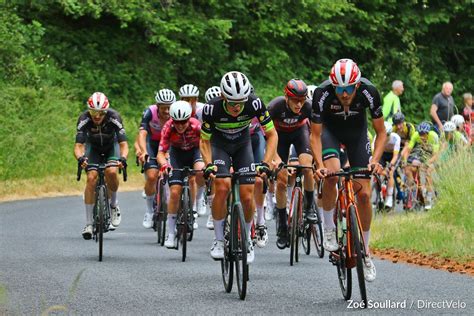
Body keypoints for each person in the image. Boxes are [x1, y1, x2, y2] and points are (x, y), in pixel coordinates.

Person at [310, 58, 385, 282]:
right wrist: (320, 166)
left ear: (357, 85)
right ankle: (330, 228)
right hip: (329, 134)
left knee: (363, 193)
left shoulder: (369, 92)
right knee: (332, 175)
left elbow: (380, 132)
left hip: (357, 134)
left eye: (349, 88)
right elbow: (314, 135)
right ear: (333, 86)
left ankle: (366, 252)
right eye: (340, 89)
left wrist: (375, 161)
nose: (344, 94)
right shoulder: (322, 94)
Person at [200, 71, 278, 264]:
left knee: (247, 194)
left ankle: (247, 239)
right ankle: (218, 240)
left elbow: (272, 135)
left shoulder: (254, 103)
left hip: (243, 146)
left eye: (241, 102)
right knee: (223, 186)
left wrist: (266, 163)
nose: (237, 107)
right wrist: (209, 164)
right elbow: (204, 141)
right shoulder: (211, 109)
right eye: (233, 102)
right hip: (220, 147)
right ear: (223, 96)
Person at [268, 78, 317, 250]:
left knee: (306, 167)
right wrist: (275, 158)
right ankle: (282, 226)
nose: (299, 105)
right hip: (278, 137)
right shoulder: (275, 106)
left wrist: (318, 159)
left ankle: (309, 207)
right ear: (286, 97)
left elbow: (317, 134)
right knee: (281, 181)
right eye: (295, 100)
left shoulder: (308, 107)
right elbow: (266, 134)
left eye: (302, 101)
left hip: (300, 133)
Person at [74, 92, 128, 239]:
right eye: (93, 112)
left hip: (112, 146)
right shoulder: (84, 119)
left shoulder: (114, 117)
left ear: (106, 111)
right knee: (91, 177)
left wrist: (122, 158)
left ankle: (114, 205)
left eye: (101, 113)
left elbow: (123, 144)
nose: (97, 116)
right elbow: (78, 146)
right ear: (88, 110)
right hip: (93, 148)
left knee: (111, 172)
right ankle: (89, 223)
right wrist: (80, 158)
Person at [156, 101, 204, 248]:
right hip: (177, 154)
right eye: (177, 122)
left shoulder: (196, 125)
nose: (181, 125)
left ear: (188, 119)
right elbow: (161, 153)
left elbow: (206, 145)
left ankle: (196, 205)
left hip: (195, 152)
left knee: (200, 172)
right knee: (175, 192)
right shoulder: (168, 127)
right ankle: (170, 234)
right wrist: (165, 165)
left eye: (183, 122)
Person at [137, 89, 175, 229]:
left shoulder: (176, 114)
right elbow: (142, 134)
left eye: (169, 107)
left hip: (170, 144)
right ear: (157, 106)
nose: (166, 110)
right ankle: (149, 210)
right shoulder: (149, 112)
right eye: (163, 107)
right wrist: (144, 152)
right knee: (152, 176)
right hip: (152, 143)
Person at [179, 84, 206, 217]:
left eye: (192, 99)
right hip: (180, 145)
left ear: (196, 99)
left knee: (199, 173)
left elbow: (209, 133)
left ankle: (199, 199)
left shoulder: (202, 110)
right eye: (185, 99)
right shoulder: (177, 109)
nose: (189, 103)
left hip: (198, 144)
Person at [401, 122, 440, 210]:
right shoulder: (415, 135)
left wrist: (427, 163)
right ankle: (412, 190)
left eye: (424, 134)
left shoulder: (433, 136)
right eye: (420, 134)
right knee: (409, 168)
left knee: (428, 172)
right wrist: (405, 161)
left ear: (428, 133)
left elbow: (435, 155)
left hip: (430, 155)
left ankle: (428, 198)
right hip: (420, 153)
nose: (422, 136)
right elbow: (408, 150)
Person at [372, 122, 401, 208]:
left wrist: (389, 167)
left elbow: (395, 156)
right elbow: (375, 155)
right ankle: (378, 194)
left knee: (390, 172)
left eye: (387, 135)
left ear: (390, 134)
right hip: (382, 154)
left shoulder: (396, 138)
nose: (384, 138)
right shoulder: (376, 138)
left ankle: (389, 198)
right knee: (377, 171)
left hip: (392, 155)